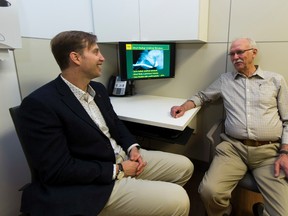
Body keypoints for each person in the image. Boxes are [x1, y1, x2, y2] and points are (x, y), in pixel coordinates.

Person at [18, 30, 193, 216]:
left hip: (121, 157)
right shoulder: (40, 103)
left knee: (185, 167)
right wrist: (118, 170)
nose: (102, 58)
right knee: (178, 200)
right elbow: (58, 169)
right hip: (94, 183)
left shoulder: (98, 89)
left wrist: (132, 147)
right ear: (75, 58)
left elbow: (115, 124)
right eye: (95, 52)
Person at [171, 37, 288, 216]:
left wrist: (285, 152)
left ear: (253, 53)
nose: (235, 57)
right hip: (233, 148)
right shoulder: (225, 80)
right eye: (232, 54)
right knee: (209, 192)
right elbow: (202, 96)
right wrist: (183, 107)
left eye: (240, 52)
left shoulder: (275, 80)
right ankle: (224, 212)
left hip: (269, 152)